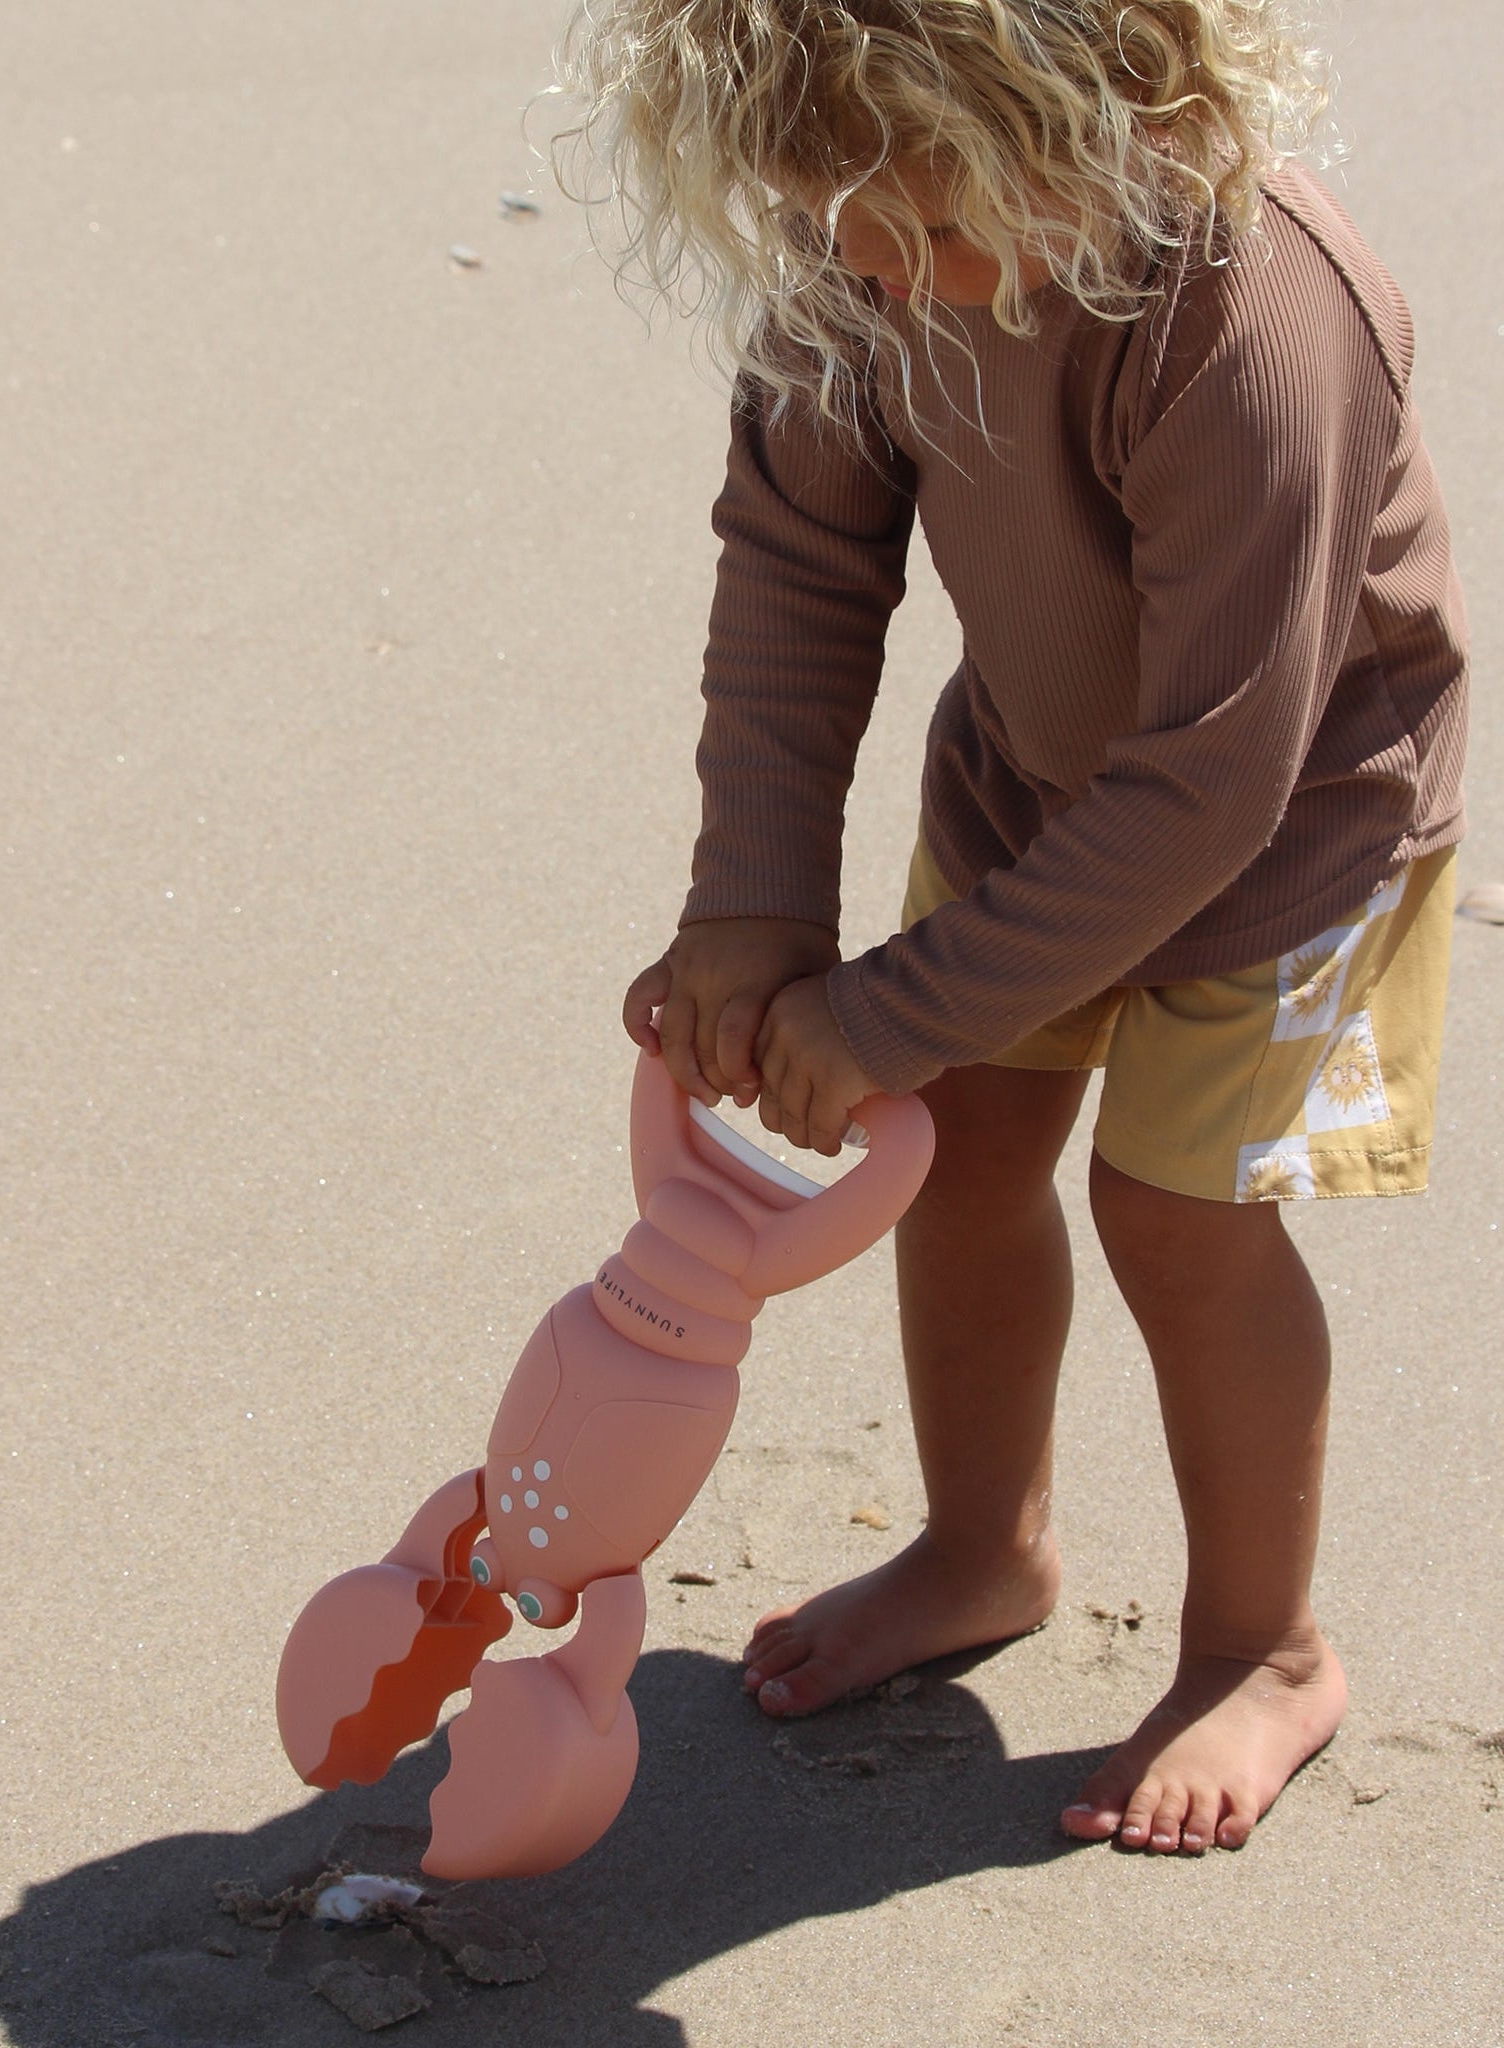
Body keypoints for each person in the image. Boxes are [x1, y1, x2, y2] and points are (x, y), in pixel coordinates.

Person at [558, 0, 1469, 1855]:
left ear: (1118, 109)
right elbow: (803, 565)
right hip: (1032, 776)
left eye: (928, 231)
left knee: (1174, 1213)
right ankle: (985, 1547)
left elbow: (1215, 777)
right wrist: (751, 906)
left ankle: (1259, 1648)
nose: (884, 269)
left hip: (1298, 819)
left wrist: (890, 1005)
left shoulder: (1253, 314)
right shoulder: (870, 238)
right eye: (842, 227)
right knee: (955, 1149)